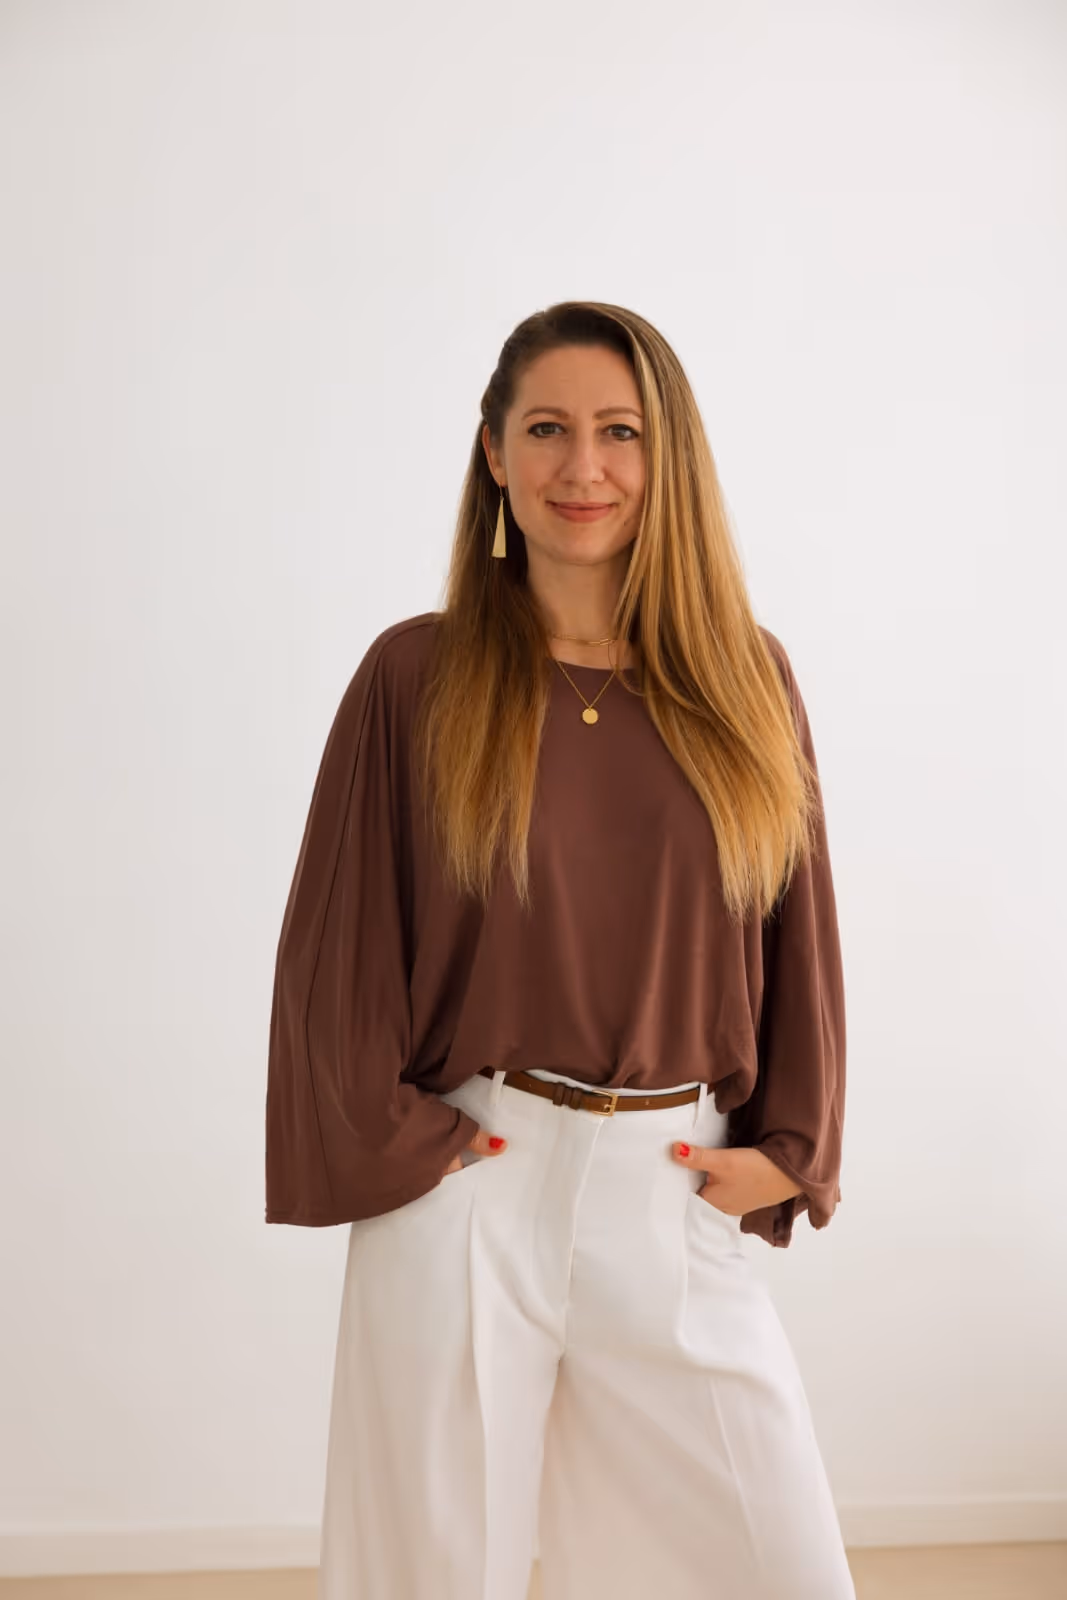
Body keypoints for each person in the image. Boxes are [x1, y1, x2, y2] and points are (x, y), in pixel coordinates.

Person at [265, 300, 855, 1600]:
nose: (580, 468)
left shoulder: (743, 681)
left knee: (780, 1570)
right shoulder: (415, 678)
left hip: (675, 1179)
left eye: (616, 432)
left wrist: (793, 1153)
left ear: (665, 457)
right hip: (469, 1181)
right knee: (428, 1576)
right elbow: (336, 945)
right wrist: (411, 1149)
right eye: (545, 429)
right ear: (491, 452)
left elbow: (797, 930)